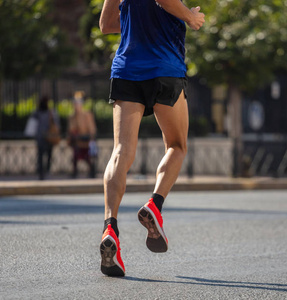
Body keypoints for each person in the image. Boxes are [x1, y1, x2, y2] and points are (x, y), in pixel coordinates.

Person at [98, 0, 205, 276]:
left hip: (127, 69)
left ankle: (110, 226)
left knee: (121, 151)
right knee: (177, 145)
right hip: (164, 68)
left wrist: (142, 24)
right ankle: (154, 206)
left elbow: (107, 25)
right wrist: (189, 18)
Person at [67, 91, 97, 178]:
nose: (76, 105)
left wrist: (91, 137)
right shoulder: (72, 116)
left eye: (78, 103)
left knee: (87, 158)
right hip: (77, 141)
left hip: (86, 141)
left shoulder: (87, 114)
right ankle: (75, 172)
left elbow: (92, 128)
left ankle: (92, 171)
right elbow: (71, 129)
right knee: (76, 157)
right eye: (75, 103)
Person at [32, 96, 60, 180]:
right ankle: (46, 171)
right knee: (47, 155)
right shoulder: (50, 112)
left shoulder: (37, 112)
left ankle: (42, 171)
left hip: (41, 137)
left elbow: (33, 124)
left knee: (41, 155)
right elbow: (57, 124)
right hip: (48, 136)